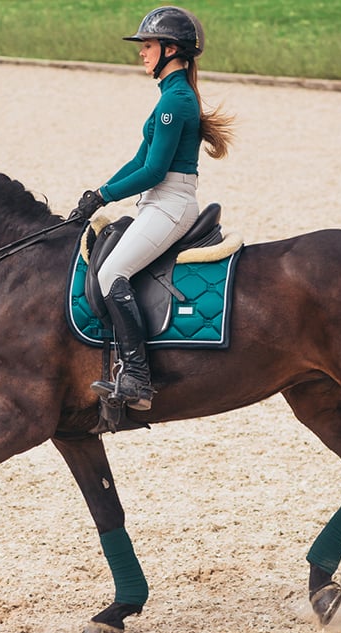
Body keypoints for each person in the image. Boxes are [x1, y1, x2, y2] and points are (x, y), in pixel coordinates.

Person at [73, 5, 234, 411]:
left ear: (171, 49)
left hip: (170, 205)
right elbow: (137, 161)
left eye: (148, 46)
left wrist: (107, 196)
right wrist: (99, 191)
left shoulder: (175, 102)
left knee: (112, 273)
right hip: (158, 203)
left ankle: (138, 377)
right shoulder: (172, 97)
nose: (141, 53)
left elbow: (153, 170)